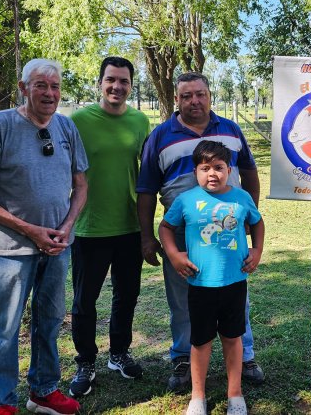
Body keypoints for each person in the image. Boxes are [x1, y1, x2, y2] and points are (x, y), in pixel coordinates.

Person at [0, 59, 88, 415]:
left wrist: (66, 227)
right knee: (5, 328)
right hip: (10, 250)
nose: (49, 93)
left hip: (57, 247)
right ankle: (1, 401)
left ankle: (44, 390)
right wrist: (31, 230)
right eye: (40, 85)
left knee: (49, 321)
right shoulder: (0, 125)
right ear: (23, 88)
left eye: (54, 86)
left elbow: (81, 185)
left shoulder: (66, 127)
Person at [136, 72, 264, 392]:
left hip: (228, 231)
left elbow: (249, 171)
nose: (194, 101)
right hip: (181, 235)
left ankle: (244, 354)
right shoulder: (160, 136)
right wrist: (147, 236)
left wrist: (248, 217)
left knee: (236, 294)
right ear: (177, 99)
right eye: (187, 95)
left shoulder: (231, 131)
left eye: (200, 94)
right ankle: (182, 356)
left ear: (209, 96)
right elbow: (147, 189)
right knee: (183, 301)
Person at [158, 140, 264, 415]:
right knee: (200, 342)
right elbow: (166, 227)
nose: (212, 174)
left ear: (229, 169)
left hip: (234, 283)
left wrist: (257, 250)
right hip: (200, 285)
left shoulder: (241, 198)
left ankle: (235, 395)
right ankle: (197, 397)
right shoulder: (186, 201)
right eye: (205, 168)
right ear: (196, 172)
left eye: (219, 167)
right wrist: (174, 255)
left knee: (233, 338)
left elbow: (257, 222)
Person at [66, 57, 151, 398]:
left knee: (127, 295)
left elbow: (148, 172)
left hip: (129, 225)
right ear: (100, 83)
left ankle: (119, 353)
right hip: (88, 227)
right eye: (111, 80)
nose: (117, 86)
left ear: (131, 85)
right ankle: (86, 362)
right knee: (85, 301)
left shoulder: (140, 121)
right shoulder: (78, 121)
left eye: (124, 81)